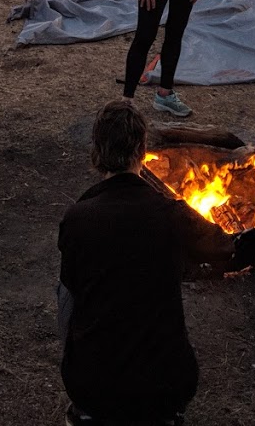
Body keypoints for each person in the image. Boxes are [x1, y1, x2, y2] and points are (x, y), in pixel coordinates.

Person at [57, 99, 232, 425]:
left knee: (68, 293)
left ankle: (87, 407)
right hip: (164, 387)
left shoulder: (77, 218)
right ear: (143, 149)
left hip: (93, 386)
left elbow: (69, 298)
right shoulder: (172, 215)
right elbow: (225, 243)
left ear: (97, 151)